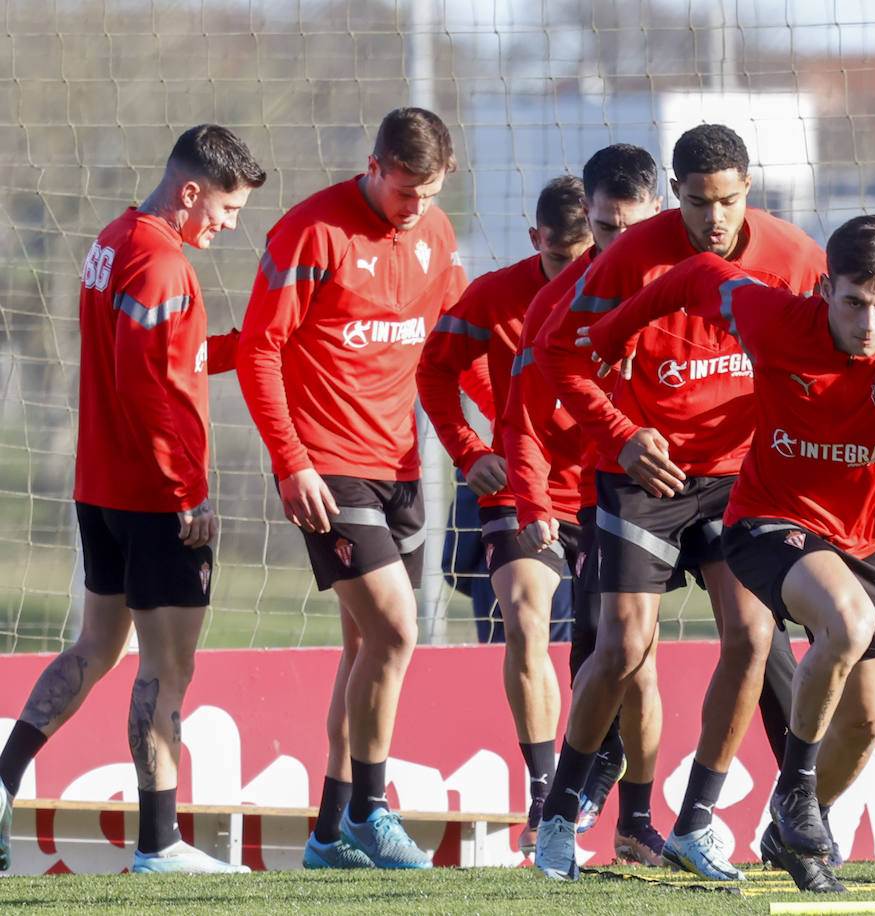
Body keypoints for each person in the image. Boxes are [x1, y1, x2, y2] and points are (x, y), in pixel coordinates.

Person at [577, 214, 875, 891]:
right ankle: (796, 793)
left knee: (870, 717)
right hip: (765, 521)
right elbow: (697, 275)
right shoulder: (772, 315)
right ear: (823, 287)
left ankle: (794, 828)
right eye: (852, 302)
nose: (869, 323)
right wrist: (613, 333)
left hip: (860, 543)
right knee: (846, 623)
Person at [532, 124, 827, 882]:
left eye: (728, 200)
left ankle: (697, 820)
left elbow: (829, 355)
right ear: (677, 192)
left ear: (748, 188)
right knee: (625, 649)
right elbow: (564, 357)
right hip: (644, 474)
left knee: (753, 639)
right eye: (699, 203)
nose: (715, 218)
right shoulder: (633, 255)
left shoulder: (795, 258)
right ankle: (559, 817)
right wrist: (623, 433)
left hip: (738, 477)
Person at [0, 125, 265, 874]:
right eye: (226, 208)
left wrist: (252, 345)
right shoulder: (162, 263)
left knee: (96, 647)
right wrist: (187, 491)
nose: (229, 224)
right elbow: (145, 385)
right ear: (190, 193)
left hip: (103, 488)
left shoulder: (116, 240)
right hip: (156, 498)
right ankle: (158, 846)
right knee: (166, 671)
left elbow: (165, 357)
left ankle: (3, 775)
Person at [237, 107, 467, 870]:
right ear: (373, 167)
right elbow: (258, 353)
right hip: (327, 467)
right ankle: (372, 808)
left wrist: (491, 430)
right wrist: (290, 461)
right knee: (399, 631)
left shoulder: (436, 236)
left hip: (400, 465)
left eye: (429, 193)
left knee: (366, 644)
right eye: (404, 192)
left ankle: (329, 834)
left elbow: (452, 346)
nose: (415, 208)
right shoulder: (311, 233)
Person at [417, 175, 591, 855]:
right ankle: (545, 793)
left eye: (584, 259)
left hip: (609, 484)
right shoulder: (492, 296)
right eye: (557, 259)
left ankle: (622, 800)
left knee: (619, 647)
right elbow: (433, 372)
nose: (570, 275)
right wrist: (468, 449)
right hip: (518, 484)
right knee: (525, 617)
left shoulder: (626, 292)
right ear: (535, 240)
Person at [502, 143, 666, 864]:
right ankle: (559, 798)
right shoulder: (553, 305)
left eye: (630, 230)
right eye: (603, 231)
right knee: (611, 648)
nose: (615, 247)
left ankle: (641, 818)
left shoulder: (697, 283)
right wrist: (526, 494)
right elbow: (521, 415)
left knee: (733, 646)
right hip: (591, 498)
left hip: (688, 488)